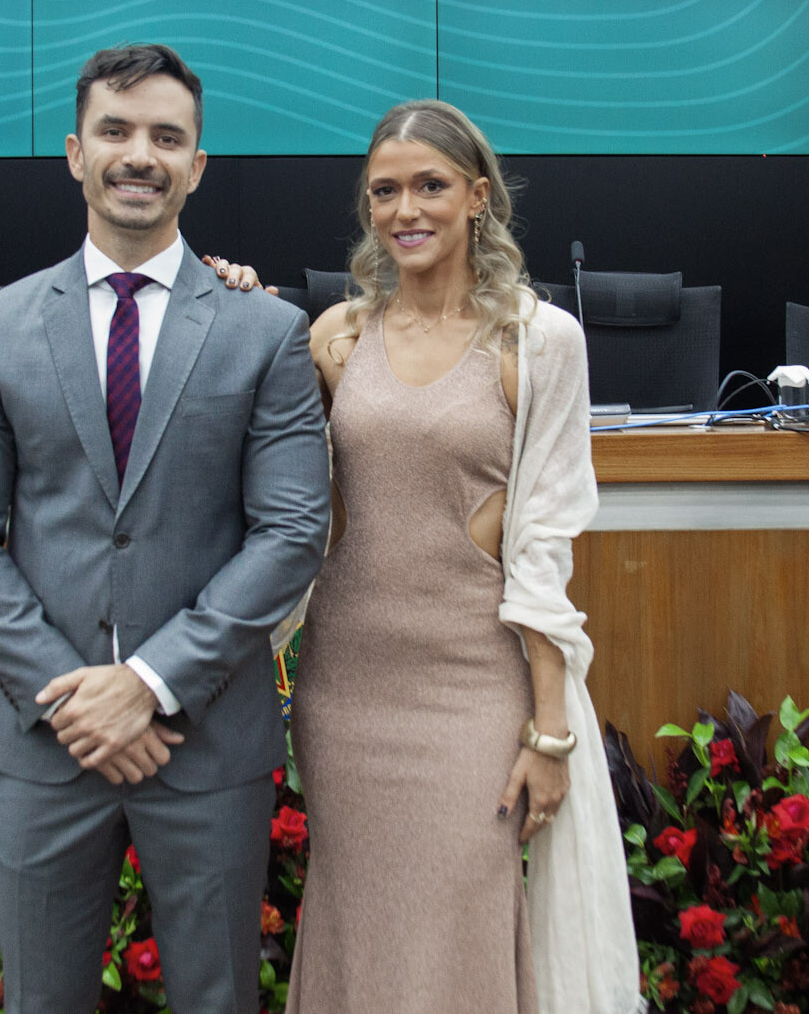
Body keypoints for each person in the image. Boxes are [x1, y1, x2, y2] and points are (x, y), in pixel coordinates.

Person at [0, 43, 331, 1014]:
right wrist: (74, 701)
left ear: (198, 164)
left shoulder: (265, 331)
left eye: (166, 136)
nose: (139, 154)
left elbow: (290, 532)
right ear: (76, 153)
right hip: (47, 739)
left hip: (205, 740)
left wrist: (147, 685)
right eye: (115, 130)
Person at [214, 99, 639, 1014]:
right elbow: (264, 470)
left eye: (429, 185)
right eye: (384, 191)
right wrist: (230, 303)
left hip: (474, 688)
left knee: (459, 926)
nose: (404, 209)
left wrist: (550, 732)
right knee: (358, 922)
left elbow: (544, 542)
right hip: (346, 688)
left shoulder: (539, 341)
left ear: (478, 195)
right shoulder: (336, 335)